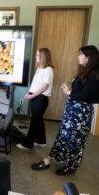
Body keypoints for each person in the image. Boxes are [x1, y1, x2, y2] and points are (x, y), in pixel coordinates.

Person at [31, 45, 99, 175]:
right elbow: (80, 90)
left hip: (80, 115)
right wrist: (71, 90)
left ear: (88, 57)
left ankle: (70, 166)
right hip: (72, 112)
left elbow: (85, 96)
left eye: (80, 55)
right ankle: (49, 159)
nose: (78, 57)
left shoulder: (95, 75)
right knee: (63, 136)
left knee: (75, 140)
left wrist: (69, 92)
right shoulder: (86, 71)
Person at [16, 48, 54, 150]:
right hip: (35, 96)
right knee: (39, 120)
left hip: (41, 98)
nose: (35, 57)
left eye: (37, 55)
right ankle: (41, 141)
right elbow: (35, 84)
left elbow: (44, 86)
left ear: (43, 57)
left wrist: (32, 95)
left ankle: (28, 144)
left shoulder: (48, 70)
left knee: (34, 121)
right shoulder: (40, 68)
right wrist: (29, 92)